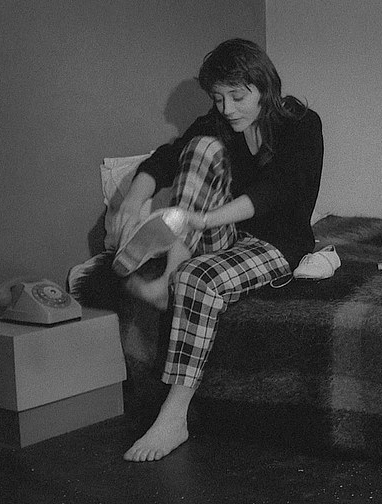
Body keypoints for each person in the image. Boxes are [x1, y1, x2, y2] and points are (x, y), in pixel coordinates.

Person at [110, 38, 323, 462]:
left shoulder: (301, 124)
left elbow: (274, 190)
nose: (227, 109)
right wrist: (133, 200)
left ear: (264, 87)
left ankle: (174, 416)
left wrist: (201, 220)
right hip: (225, 234)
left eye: (238, 97)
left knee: (197, 279)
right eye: (219, 98)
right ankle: (166, 277)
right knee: (200, 147)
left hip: (278, 243)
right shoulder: (220, 122)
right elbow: (168, 158)